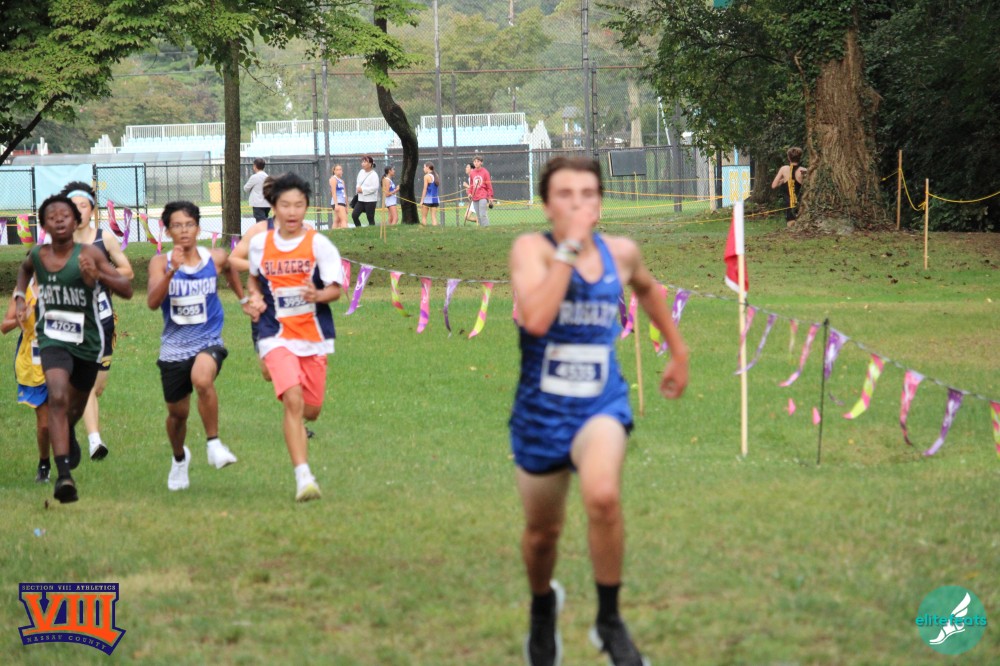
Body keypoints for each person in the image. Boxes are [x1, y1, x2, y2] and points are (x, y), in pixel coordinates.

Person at [509, 157, 688, 666]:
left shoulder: (621, 252)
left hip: (601, 402)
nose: (578, 203)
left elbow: (648, 289)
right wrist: (568, 249)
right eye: (565, 194)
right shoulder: (531, 250)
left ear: (601, 202)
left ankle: (609, 621)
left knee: (604, 497)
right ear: (547, 206)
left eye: (588, 194)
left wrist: (678, 351)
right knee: (542, 536)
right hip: (541, 412)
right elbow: (537, 318)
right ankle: (543, 607)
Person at [14, 195, 133, 503]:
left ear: (75, 220)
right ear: (43, 224)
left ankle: (68, 429)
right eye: (52, 216)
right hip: (52, 339)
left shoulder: (90, 253)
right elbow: (24, 270)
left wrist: (99, 275)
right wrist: (19, 297)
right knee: (56, 396)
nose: (59, 219)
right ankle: (64, 476)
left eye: (65, 214)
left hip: (87, 341)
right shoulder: (38, 254)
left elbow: (127, 289)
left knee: (76, 405)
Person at [244, 173, 344, 501]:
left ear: (306, 207)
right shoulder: (260, 244)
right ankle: (304, 477)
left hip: (313, 335)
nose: (292, 212)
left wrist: (318, 295)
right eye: (285, 205)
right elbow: (253, 280)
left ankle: (298, 438)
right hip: (274, 332)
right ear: (273, 207)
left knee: (310, 410)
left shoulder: (319, 244)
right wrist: (253, 297)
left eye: (299, 205)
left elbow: (335, 290)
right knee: (293, 399)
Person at [147, 201, 251, 491]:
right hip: (173, 348)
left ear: (198, 228)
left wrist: (243, 300)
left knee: (203, 379)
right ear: (167, 231)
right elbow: (153, 302)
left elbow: (229, 268)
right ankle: (179, 459)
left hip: (208, 340)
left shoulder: (214, 257)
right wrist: (171, 271)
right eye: (177, 225)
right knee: (177, 415)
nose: (184, 230)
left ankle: (214, 444)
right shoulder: (159, 263)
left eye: (189, 224)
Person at [58, 181, 134, 462]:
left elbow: (128, 271)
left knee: (97, 387)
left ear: (92, 210)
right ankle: (94, 441)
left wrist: (102, 273)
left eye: (83, 205)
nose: (78, 211)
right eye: (73, 206)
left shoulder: (105, 239)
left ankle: (70, 424)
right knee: (87, 382)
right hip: (72, 322)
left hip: (103, 322)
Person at [2, 274, 50, 483]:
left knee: (62, 410)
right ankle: (44, 464)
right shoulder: (22, 292)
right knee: (45, 424)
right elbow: (4, 326)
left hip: (60, 355)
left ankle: (69, 441)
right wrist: (20, 319)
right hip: (33, 361)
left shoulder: (61, 285)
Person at [770, 147, 807, 226]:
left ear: (788, 158)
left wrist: (783, 180)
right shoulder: (804, 170)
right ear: (800, 157)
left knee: (791, 226)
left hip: (789, 205)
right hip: (802, 204)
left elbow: (774, 185)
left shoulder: (784, 169)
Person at [352, 155, 379, 227]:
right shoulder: (361, 172)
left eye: (365, 162)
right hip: (361, 199)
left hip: (370, 200)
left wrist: (363, 190)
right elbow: (358, 183)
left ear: (370, 164)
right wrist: (358, 188)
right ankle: (359, 229)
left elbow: (375, 188)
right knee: (354, 215)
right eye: (362, 162)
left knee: (370, 218)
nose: (363, 163)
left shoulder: (374, 175)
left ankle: (372, 230)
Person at [470, 154, 495, 227]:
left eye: (478, 161)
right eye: (475, 161)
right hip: (475, 197)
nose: (476, 163)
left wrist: (490, 197)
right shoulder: (472, 173)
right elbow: (471, 185)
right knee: (478, 215)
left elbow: (489, 185)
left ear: (481, 162)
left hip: (483, 196)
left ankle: (486, 227)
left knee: (482, 214)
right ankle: (482, 229)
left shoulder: (485, 172)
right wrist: (469, 193)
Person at [244, 158, 270, 222]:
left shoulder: (254, 177)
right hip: (267, 203)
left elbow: (246, 188)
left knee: (261, 223)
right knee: (264, 221)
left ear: (255, 166)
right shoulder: (268, 177)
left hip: (258, 204)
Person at [420, 163, 440, 227]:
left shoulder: (426, 176)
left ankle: (423, 230)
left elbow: (425, 189)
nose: (423, 169)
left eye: (424, 167)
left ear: (428, 167)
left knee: (424, 217)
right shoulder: (436, 175)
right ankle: (435, 230)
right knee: (434, 217)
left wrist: (422, 201)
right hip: (435, 199)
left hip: (428, 199)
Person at [330, 165, 349, 229]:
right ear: (334, 171)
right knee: (344, 220)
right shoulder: (333, 179)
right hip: (338, 202)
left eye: (340, 169)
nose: (339, 171)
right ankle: (346, 232)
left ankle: (333, 233)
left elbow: (344, 193)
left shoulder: (341, 181)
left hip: (342, 202)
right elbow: (333, 192)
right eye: (337, 170)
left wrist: (347, 205)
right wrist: (336, 205)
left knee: (337, 220)